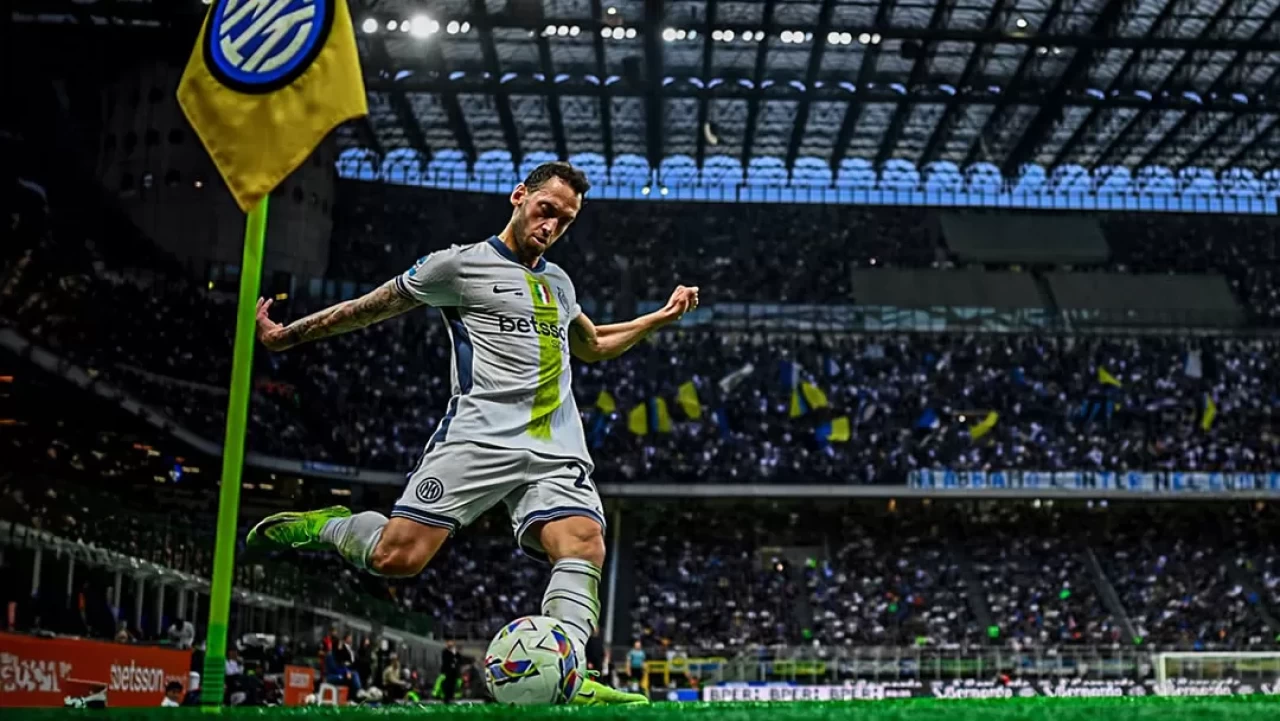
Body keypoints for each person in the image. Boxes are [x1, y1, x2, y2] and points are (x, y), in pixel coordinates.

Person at [246, 162, 698, 706]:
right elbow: (366, 310)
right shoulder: (457, 266)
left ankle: (570, 675)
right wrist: (286, 337)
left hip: (555, 446)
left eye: (565, 220)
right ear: (519, 196)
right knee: (397, 558)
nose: (552, 226)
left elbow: (593, 344)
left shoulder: (559, 283)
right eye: (546, 210)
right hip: (478, 437)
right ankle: (328, 525)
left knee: (583, 542)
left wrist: (658, 318)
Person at [440, 640, 461, 704]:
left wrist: (455, 654)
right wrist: (453, 655)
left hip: (453, 673)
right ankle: (447, 697)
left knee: (452, 685)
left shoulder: (455, 653)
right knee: (447, 685)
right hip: (447, 672)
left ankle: (450, 696)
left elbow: (459, 659)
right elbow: (447, 661)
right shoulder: (445, 652)